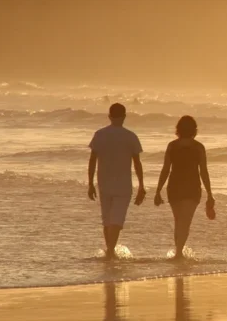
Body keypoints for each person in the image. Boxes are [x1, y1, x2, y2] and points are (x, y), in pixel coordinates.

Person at [88, 103, 145, 260]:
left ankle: (110, 250)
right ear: (124, 116)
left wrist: (90, 183)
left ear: (109, 116)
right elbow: (137, 163)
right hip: (123, 184)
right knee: (117, 220)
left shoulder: (100, 135)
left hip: (104, 182)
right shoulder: (130, 136)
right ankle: (111, 251)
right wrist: (141, 185)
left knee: (107, 220)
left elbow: (92, 160)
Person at [153, 116, 214, 260]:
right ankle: (179, 253)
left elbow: (165, 170)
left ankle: (178, 252)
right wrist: (210, 194)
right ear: (194, 130)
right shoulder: (198, 147)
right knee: (185, 222)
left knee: (179, 221)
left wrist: (158, 190)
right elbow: (203, 172)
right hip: (192, 188)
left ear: (178, 129)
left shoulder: (172, 146)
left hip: (174, 187)